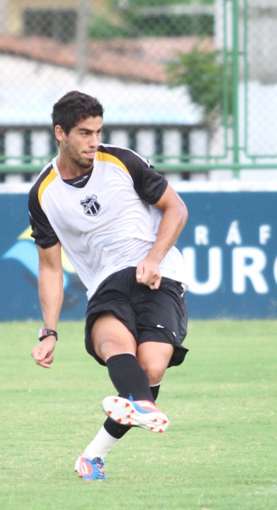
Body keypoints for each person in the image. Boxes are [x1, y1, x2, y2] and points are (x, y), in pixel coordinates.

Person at [28, 91, 189, 481]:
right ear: (60, 133)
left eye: (98, 131)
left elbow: (176, 208)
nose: (94, 141)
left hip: (159, 274)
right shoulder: (43, 194)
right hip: (105, 285)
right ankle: (143, 404)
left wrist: (152, 258)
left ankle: (95, 453)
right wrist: (49, 330)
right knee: (118, 347)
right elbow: (50, 268)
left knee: (150, 366)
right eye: (84, 133)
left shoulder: (122, 161)